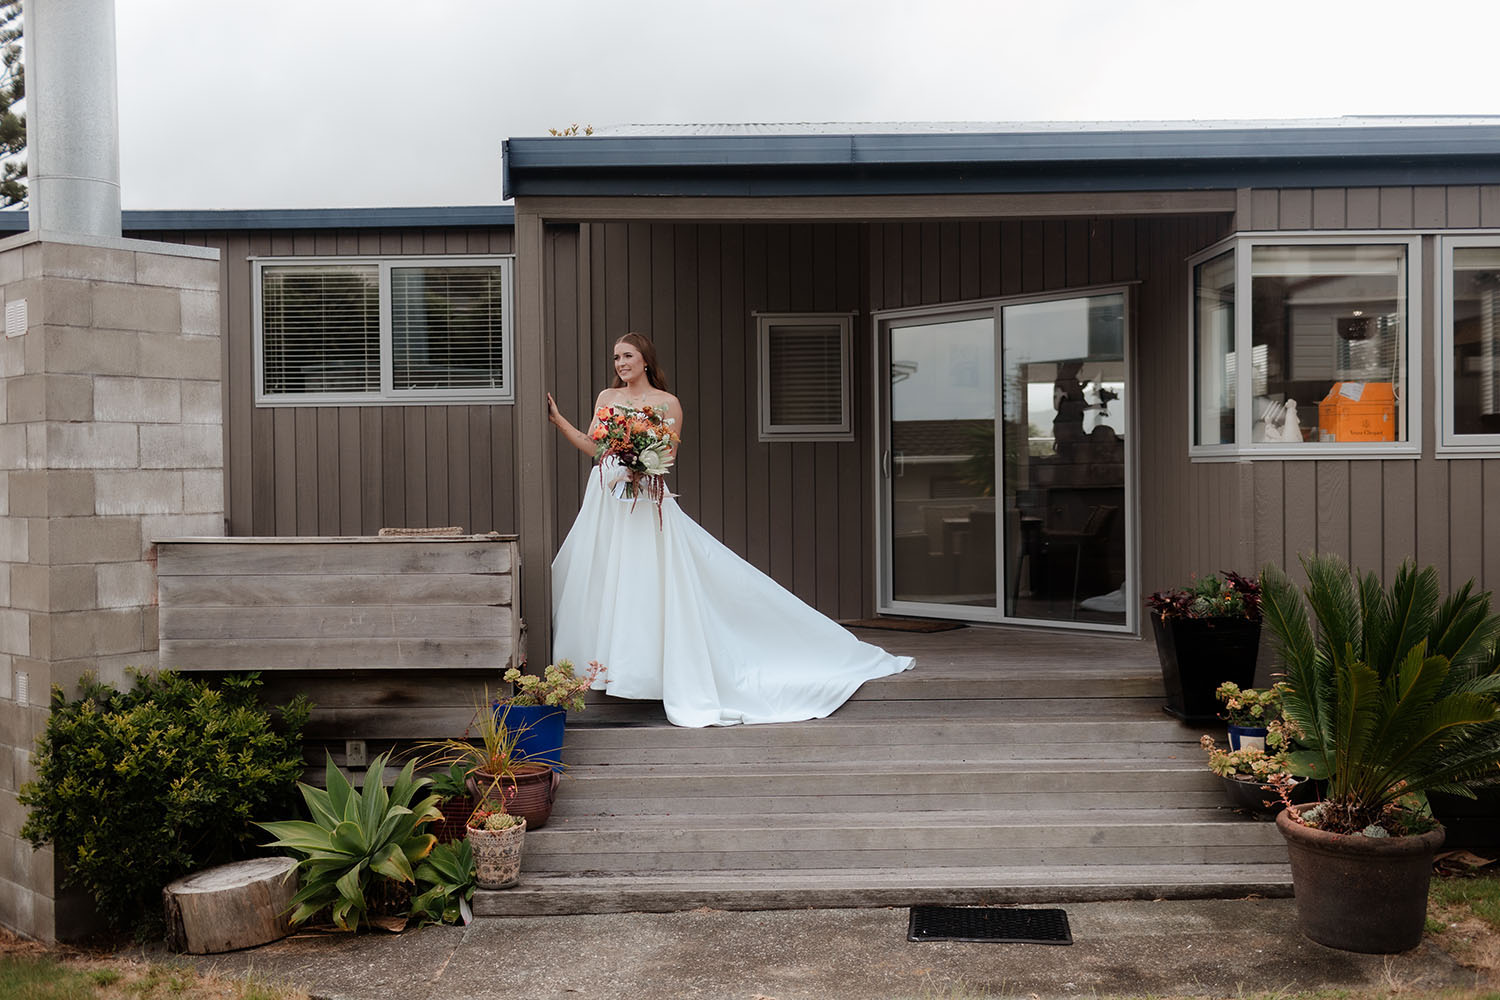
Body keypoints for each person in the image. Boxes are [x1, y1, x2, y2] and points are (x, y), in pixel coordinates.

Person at [546, 332, 914, 727]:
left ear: (645, 360)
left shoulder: (667, 404)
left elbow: (667, 455)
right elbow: (595, 447)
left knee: (643, 579)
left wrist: (640, 463)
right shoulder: (607, 398)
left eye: (628, 356)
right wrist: (559, 421)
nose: (620, 364)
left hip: (645, 496)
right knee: (601, 573)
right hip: (605, 495)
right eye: (616, 357)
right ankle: (600, 667)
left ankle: (643, 668)